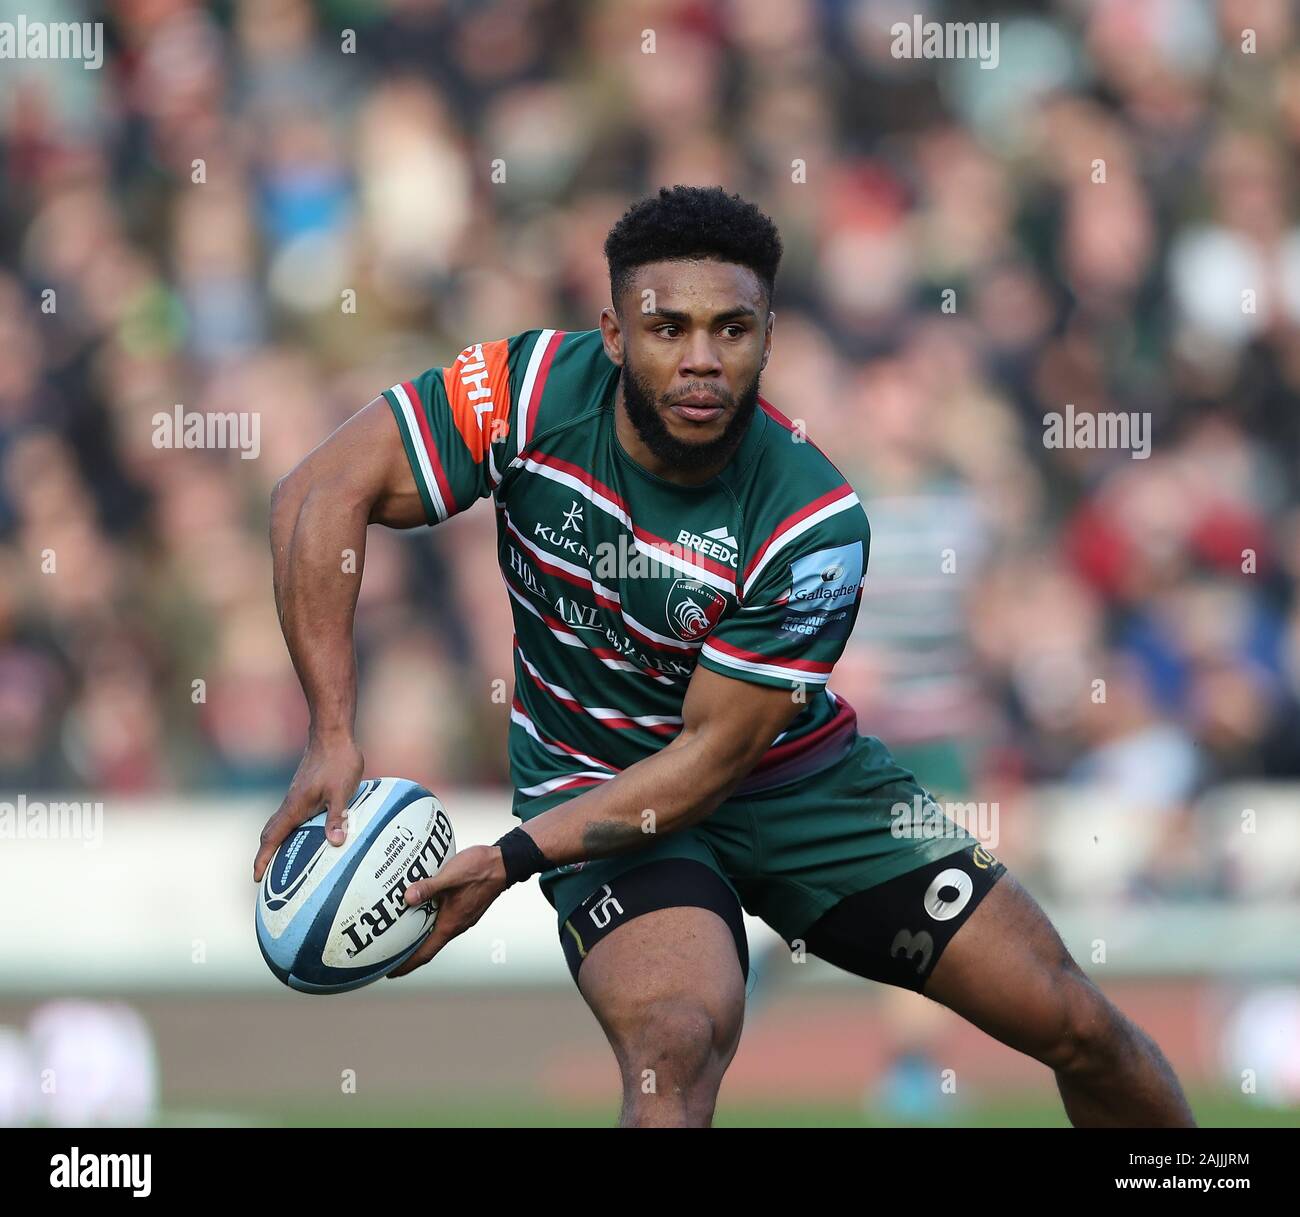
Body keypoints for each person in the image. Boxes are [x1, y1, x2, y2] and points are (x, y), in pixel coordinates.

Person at [255, 185, 1194, 1128]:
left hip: (797, 787)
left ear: (768, 336)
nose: (702, 361)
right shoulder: (524, 390)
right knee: (679, 1038)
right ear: (615, 333)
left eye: (732, 329)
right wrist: (331, 731)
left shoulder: (812, 522)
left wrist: (507, 859)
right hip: (596, 784)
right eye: (668, 328)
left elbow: (707, 763)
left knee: (1075, 1021)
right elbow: (318, 492)